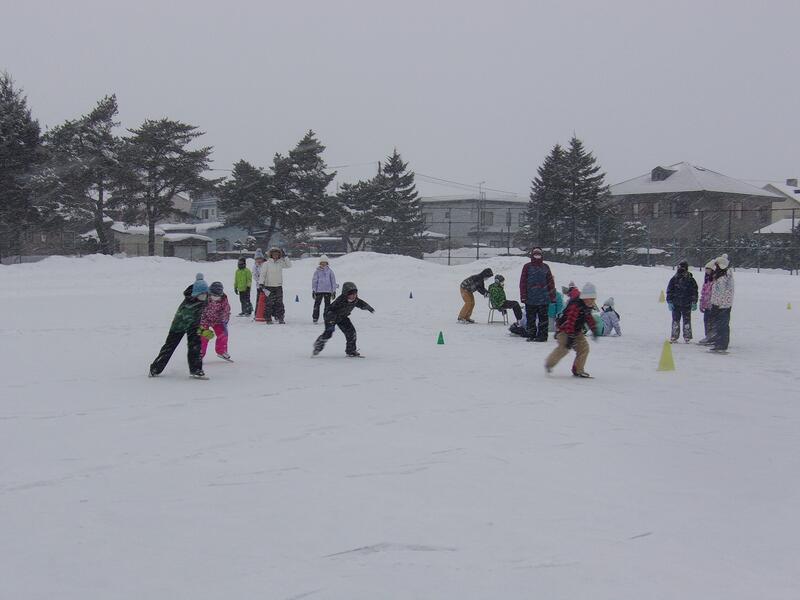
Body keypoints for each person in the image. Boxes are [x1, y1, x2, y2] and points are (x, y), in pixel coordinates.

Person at [149, 273, 208, 379]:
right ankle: (155, 368)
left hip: (194, 324)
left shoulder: (204, 298)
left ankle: (196, 370)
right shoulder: (188, 306)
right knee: (169, 347)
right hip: (179, 326)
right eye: (202, 295)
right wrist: (202, 330)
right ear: (196, 294)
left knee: (195, 346)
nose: (204, 297)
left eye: (205, 294)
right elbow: (191, 321)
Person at [545, 282, 599, 378]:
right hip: (564, 330)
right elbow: (570, 321)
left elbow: (589, 317)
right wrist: (570, 336)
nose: (591, 301)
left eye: (593, 299)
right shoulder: (576, 306)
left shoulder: (587, 306)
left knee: (584, 348)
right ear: (584, 297)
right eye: (590, 299)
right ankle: (549, 363)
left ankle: (578, 369)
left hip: (576, 331)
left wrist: (594, 329)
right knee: (564, 348)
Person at [313, 281, 374, 357]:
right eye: (351, 294)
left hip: (342, 317)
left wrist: (367, 307)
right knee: (328, 333)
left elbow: (361, 303)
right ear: (345, 294)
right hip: (330, 317)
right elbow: (331, 312)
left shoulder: (355, 300)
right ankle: (318, 345)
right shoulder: (340, 301)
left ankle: (351, 351)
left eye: (355, 294)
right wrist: (331, 322)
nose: (353, 296)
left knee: (351, 333)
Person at [519, 247, 556, 341]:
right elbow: (523, 282)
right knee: (530, 318)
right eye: (535, 254)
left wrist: (552, 296)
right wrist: (523, 296)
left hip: (544, 299)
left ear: (541, 255)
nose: (537, 256)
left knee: (543, 319)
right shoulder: (527, 267)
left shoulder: (546, 267)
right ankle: (531, 335)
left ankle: (542, 336)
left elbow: (551, 283)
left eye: (539, 254)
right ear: (532, 255)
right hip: (530, 298)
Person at [199, 281, 232, 361]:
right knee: (204, 336)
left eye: (217, 296)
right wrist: (203, 326)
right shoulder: (204, 297)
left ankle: (221, 351)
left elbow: (226, 310)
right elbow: (199, 312)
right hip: (204, 320)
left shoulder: (223, 299)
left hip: (217, 320)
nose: (215, 298)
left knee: (223, 334)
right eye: (213, 295)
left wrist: (224, 320)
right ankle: (199, 353)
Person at [666, 260, 698, 343]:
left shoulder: (690, 280)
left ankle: (687, 337)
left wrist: (694, 301)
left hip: (687, 304)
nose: (680, 270)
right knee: (675, 321)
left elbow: (694, 291)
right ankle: (674, 336)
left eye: (682, 268)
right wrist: (669, 301)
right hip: (676, 304)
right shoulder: (674, 279)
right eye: (679, 268)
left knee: (686, 321)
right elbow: (669, 290)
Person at [258, 247, 292, 323]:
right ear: (271, 255)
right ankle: (268, 318)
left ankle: (280, 318)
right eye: (274, 254)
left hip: (278, 286)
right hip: (269, 287)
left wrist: (285, 257)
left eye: (277, 254)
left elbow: (289, 265)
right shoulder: (266, 264)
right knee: (269, 303)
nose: (275, 255)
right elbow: (262, 274)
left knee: (279, 303)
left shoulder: (280, 263)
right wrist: (261, 283)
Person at [709, 254, 734, 353]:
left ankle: (721, 344)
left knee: (721, 326)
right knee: (722, 325)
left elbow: (720, 293)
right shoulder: (725, 276)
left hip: (721, 306)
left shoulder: (722, 278)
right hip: (724, 305)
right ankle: (720, 343)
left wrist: (716, 305)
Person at [312, 254, 338, 324]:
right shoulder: (317, 272)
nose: (323, 264)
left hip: (328, 291)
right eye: (322, 263)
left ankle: (327, 318)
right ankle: (315, 318)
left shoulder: (330, 271)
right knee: (317, 305)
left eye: (325, 263)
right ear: (320, 263)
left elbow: (333, 282)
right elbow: (314, 281)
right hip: (319, 291)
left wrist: (333, 291)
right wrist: (314, 290)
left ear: (327, 263)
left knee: (327, 306)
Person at [697, 260, 716, 345]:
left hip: (712, 305)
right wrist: (702, 303)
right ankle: (708, 336)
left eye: (708, 269)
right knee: (706, 321)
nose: (707, 271)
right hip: (706, 305)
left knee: (712, 321)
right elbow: (703, 293)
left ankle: (712, 337)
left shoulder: (715, 281)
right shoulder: (707, 281)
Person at [252, 248, 266, 320]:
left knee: (267, 300)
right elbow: (254, 275)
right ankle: (257, 313)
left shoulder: (265, 265)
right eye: (257, 259)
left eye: (260, 259)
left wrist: (264, 281)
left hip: (266, 286)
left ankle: (266, 313)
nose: (258, 260)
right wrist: (260, 282)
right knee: (258, 300)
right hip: (259, 286)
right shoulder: (255, 266)